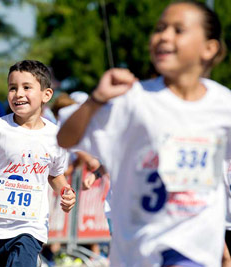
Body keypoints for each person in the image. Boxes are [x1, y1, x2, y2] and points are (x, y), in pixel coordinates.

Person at [57, 1, 230, 266]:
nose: (164, 36)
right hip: (138, 248)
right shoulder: (134, 99)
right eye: (160, 28)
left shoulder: (223, 104)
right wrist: (96, 100)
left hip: (192, 248)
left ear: (209, 48)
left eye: (178, 30)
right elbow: (65, 139)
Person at [0, 60, 76, 267]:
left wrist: (65, 190)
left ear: (46, 95)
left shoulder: (55, 135)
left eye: (27, 87)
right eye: (12, 88)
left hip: (30, 226)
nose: (18, 94)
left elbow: (55, 175)